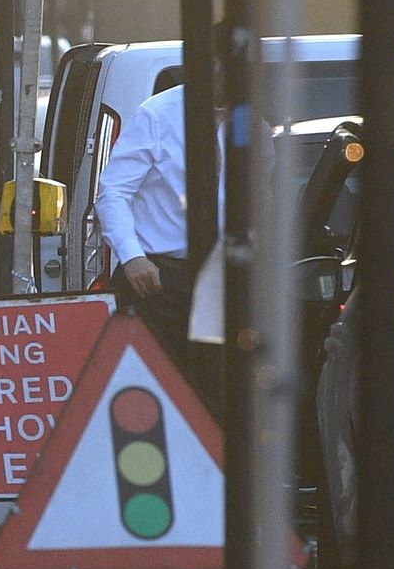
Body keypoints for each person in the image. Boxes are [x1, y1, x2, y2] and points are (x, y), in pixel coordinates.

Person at [93, 57, 272, 388]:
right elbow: (113, 192)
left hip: (221, 276)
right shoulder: (158, 115)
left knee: (216, 386)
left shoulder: (250, 124)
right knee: (151, 383)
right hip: (159, 278)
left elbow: (259, 197)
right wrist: (133, 258)